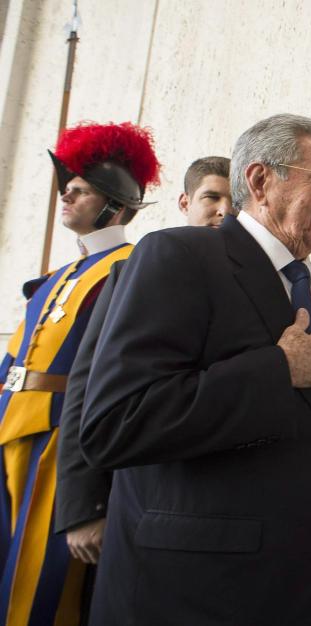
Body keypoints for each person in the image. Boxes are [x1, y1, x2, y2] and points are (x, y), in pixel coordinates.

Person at [79, 114, 311, 626]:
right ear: (259, 180)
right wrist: (278, 370)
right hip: (194, 592)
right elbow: (114, 423)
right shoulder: (177, 256)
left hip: (301, 583)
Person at [0, 122, 160, 626]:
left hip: (61, 440)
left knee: (38, 591)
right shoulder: (57, 275)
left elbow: (122, 376)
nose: (65, 193)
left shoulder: (133, 266)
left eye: (81, 188)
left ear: (114, 204)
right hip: (9, 427)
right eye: (66, 186)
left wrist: (92, 493)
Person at [54, 158, 234, 574]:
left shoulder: (255, 283)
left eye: (233, 200)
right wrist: (84, 507)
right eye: (211, 197)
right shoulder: (130, 271)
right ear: (185, 201)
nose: (224, 210)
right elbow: (85, 391)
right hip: (128, 499)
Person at [177, 156, 233, 226]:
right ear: (185, 204)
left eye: (236, 203)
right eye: (212, 198)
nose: (225, 212)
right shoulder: (162, 236)